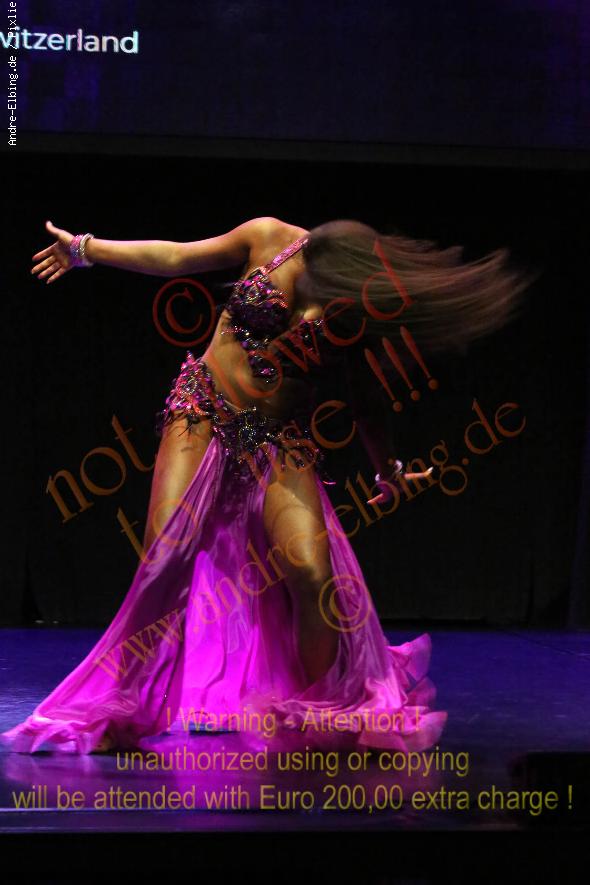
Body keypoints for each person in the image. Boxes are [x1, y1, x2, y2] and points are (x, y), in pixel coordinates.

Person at [3, 216, 537, 754]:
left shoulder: (356, 303)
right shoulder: (269, 238)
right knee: (167, 554)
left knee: (312, 573)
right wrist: (87, 249)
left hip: (279, 437)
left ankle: (319, 712)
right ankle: (121, 704)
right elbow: (176, 256)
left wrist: (389, 472)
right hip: (204, 408)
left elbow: (369, 404)